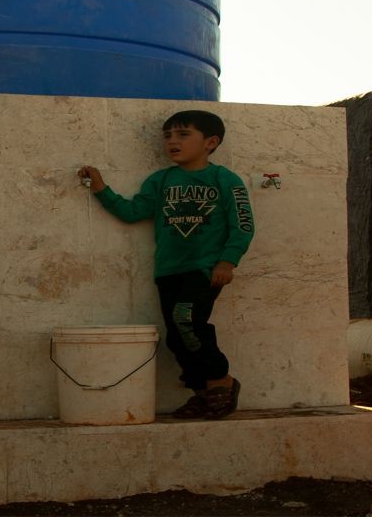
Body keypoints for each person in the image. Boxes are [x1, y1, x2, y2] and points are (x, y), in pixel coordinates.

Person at [78, 110, 254, 420]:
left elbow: (243, 224)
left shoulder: (225, 179)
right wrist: (101, 189)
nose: (172, 141)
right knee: (176, 335)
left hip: (205, 270)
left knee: (186, 320)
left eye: (183, 134)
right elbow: (133, 212)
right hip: (168, 271)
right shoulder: (160, 180)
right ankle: (201, 393)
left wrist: (228, 261)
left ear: (210, 142)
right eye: (168, 135)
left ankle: (221, 381)